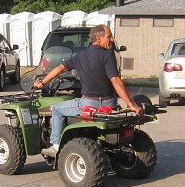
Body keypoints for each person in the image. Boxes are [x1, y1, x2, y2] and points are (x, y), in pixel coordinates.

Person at [33, 24, 143, 157]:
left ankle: (55, 146)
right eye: (109, 37)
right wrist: (131, 105)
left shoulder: (80, 56)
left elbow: (59, 69)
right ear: (98, 38)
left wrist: (42, 83)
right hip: (109, 104)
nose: (112, 40)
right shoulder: (107, 55)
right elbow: (115, 81)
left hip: (90, 104)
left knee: (56, 109)